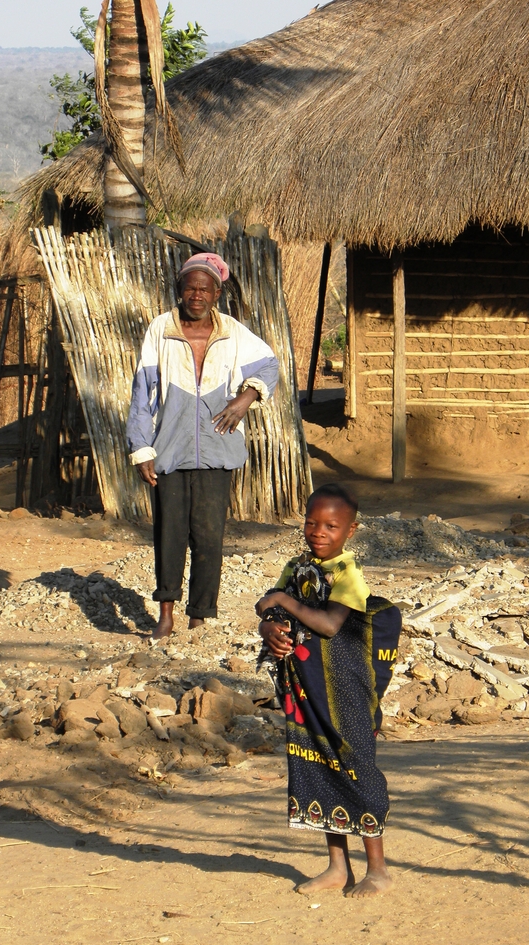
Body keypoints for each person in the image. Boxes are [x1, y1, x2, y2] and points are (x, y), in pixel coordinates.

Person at [255, 484, 402, 897]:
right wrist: (270, 630)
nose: (318, 532)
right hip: (308, 687)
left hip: (346, 692)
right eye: (311, 523)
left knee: (357, 769)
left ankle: (378, 870)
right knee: (318, 767)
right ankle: (338, 867)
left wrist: (284, 600)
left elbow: (329, 624)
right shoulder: (297, 566)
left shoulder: (346, 573)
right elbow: (266, 606)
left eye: (331, 526)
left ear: (350, 530)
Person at [127, 252, 279, 639]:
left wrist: (245, 399)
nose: (197, 295)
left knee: (209, 537)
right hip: (169, 448)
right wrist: (142, 447)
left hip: (218, 448)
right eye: (190, 288)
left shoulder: (233, 333)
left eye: (205, 289)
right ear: (179, 290)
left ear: (216, 294)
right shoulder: (160, 330)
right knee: (170, 534)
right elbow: (142, 392)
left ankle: (199, 616)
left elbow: (270, 364)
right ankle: (166, 614)